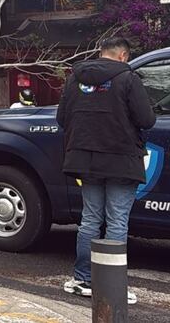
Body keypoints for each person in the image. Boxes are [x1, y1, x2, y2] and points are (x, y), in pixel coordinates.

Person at [57, 37, 155, 305]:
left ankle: (83, 279)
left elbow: (61, 119)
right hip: (121, 161)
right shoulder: (128, 79)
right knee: (117, 221)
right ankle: (111, 284)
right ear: (123, 56)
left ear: (101, 54)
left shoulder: (75, 78)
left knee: (90, 219)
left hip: (85, 160)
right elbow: (147, 120)